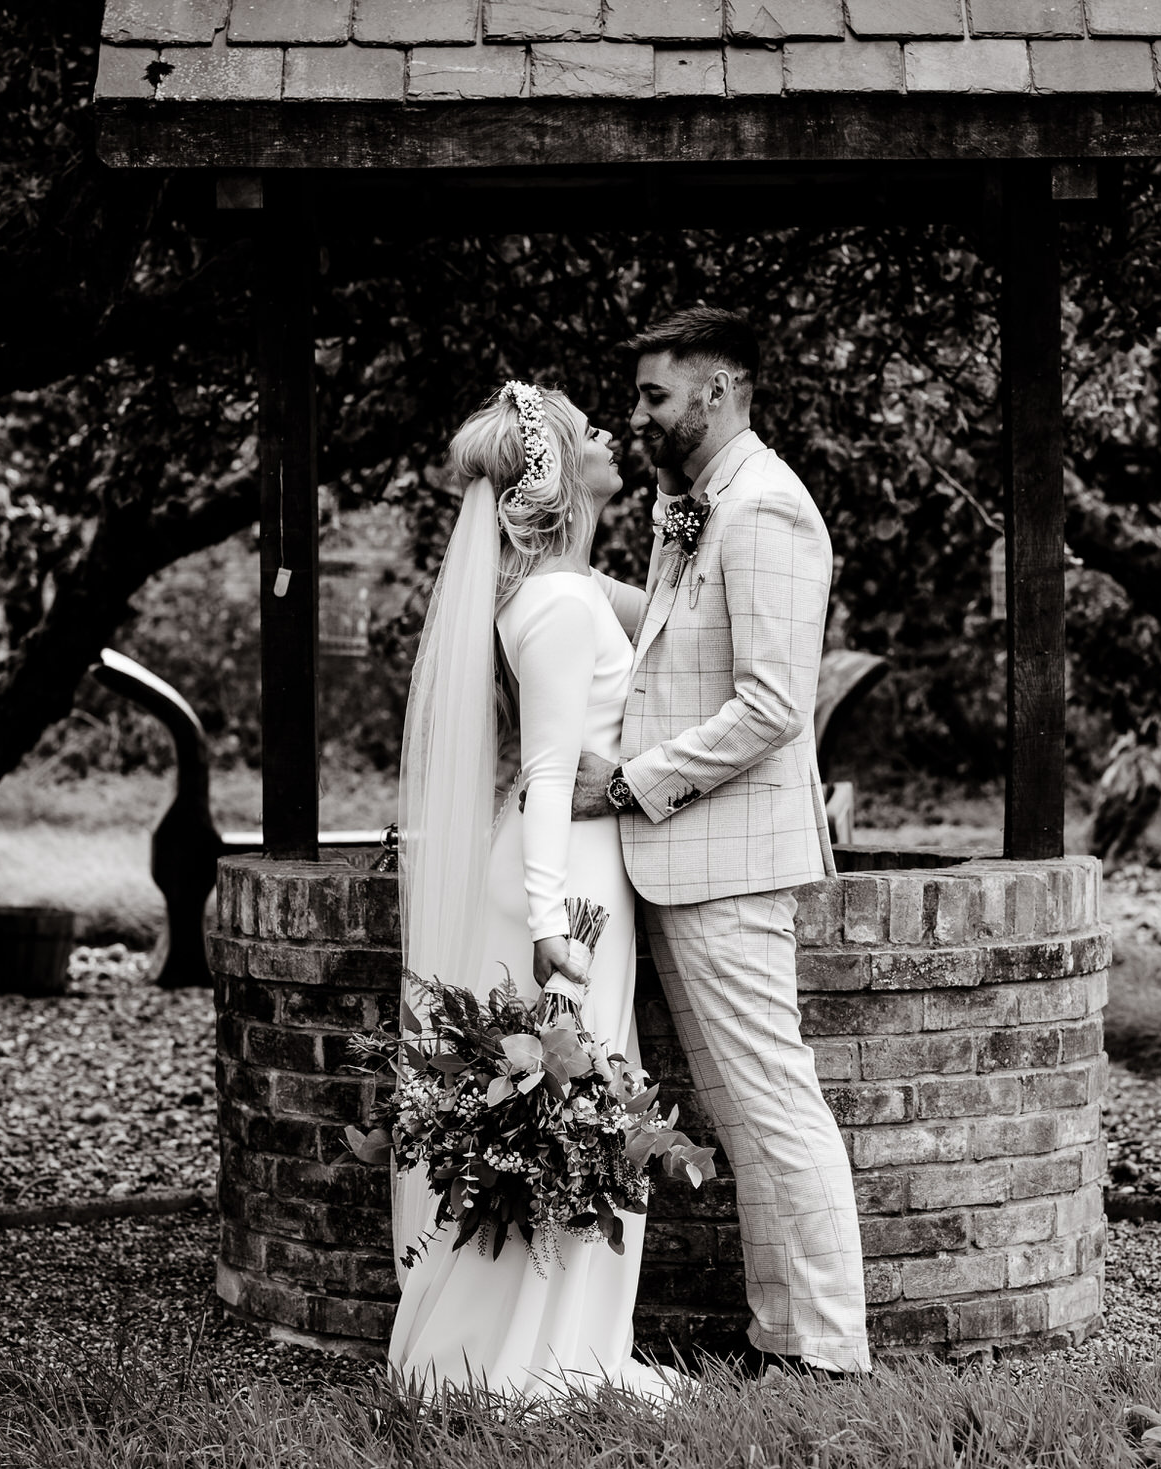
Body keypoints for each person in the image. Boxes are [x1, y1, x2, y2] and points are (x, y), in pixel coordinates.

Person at [570, 307, 871, 1377]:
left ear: (721, 388)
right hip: (689, 859)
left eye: (656, 394)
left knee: (775, 1103)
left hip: (731, 860)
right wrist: (551, 582)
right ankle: (779, 1336)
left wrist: (631, 783)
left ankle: (829, 1349)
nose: (639, 412)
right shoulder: (691, 507)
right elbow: (665, 639)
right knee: (747, 1113)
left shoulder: (765, 510)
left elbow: (772, 703)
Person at [386, 380, 674, 1403]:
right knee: (557, 1104)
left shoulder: (573, 587)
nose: (609, 437)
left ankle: (576, 1343)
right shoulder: (553, 603)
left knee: (575, 1102)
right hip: (563, 884)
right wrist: (552, 925)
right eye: (588, 429)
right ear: (552, 468)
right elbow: (550, 769)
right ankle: (517, 1357)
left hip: (582, 869)